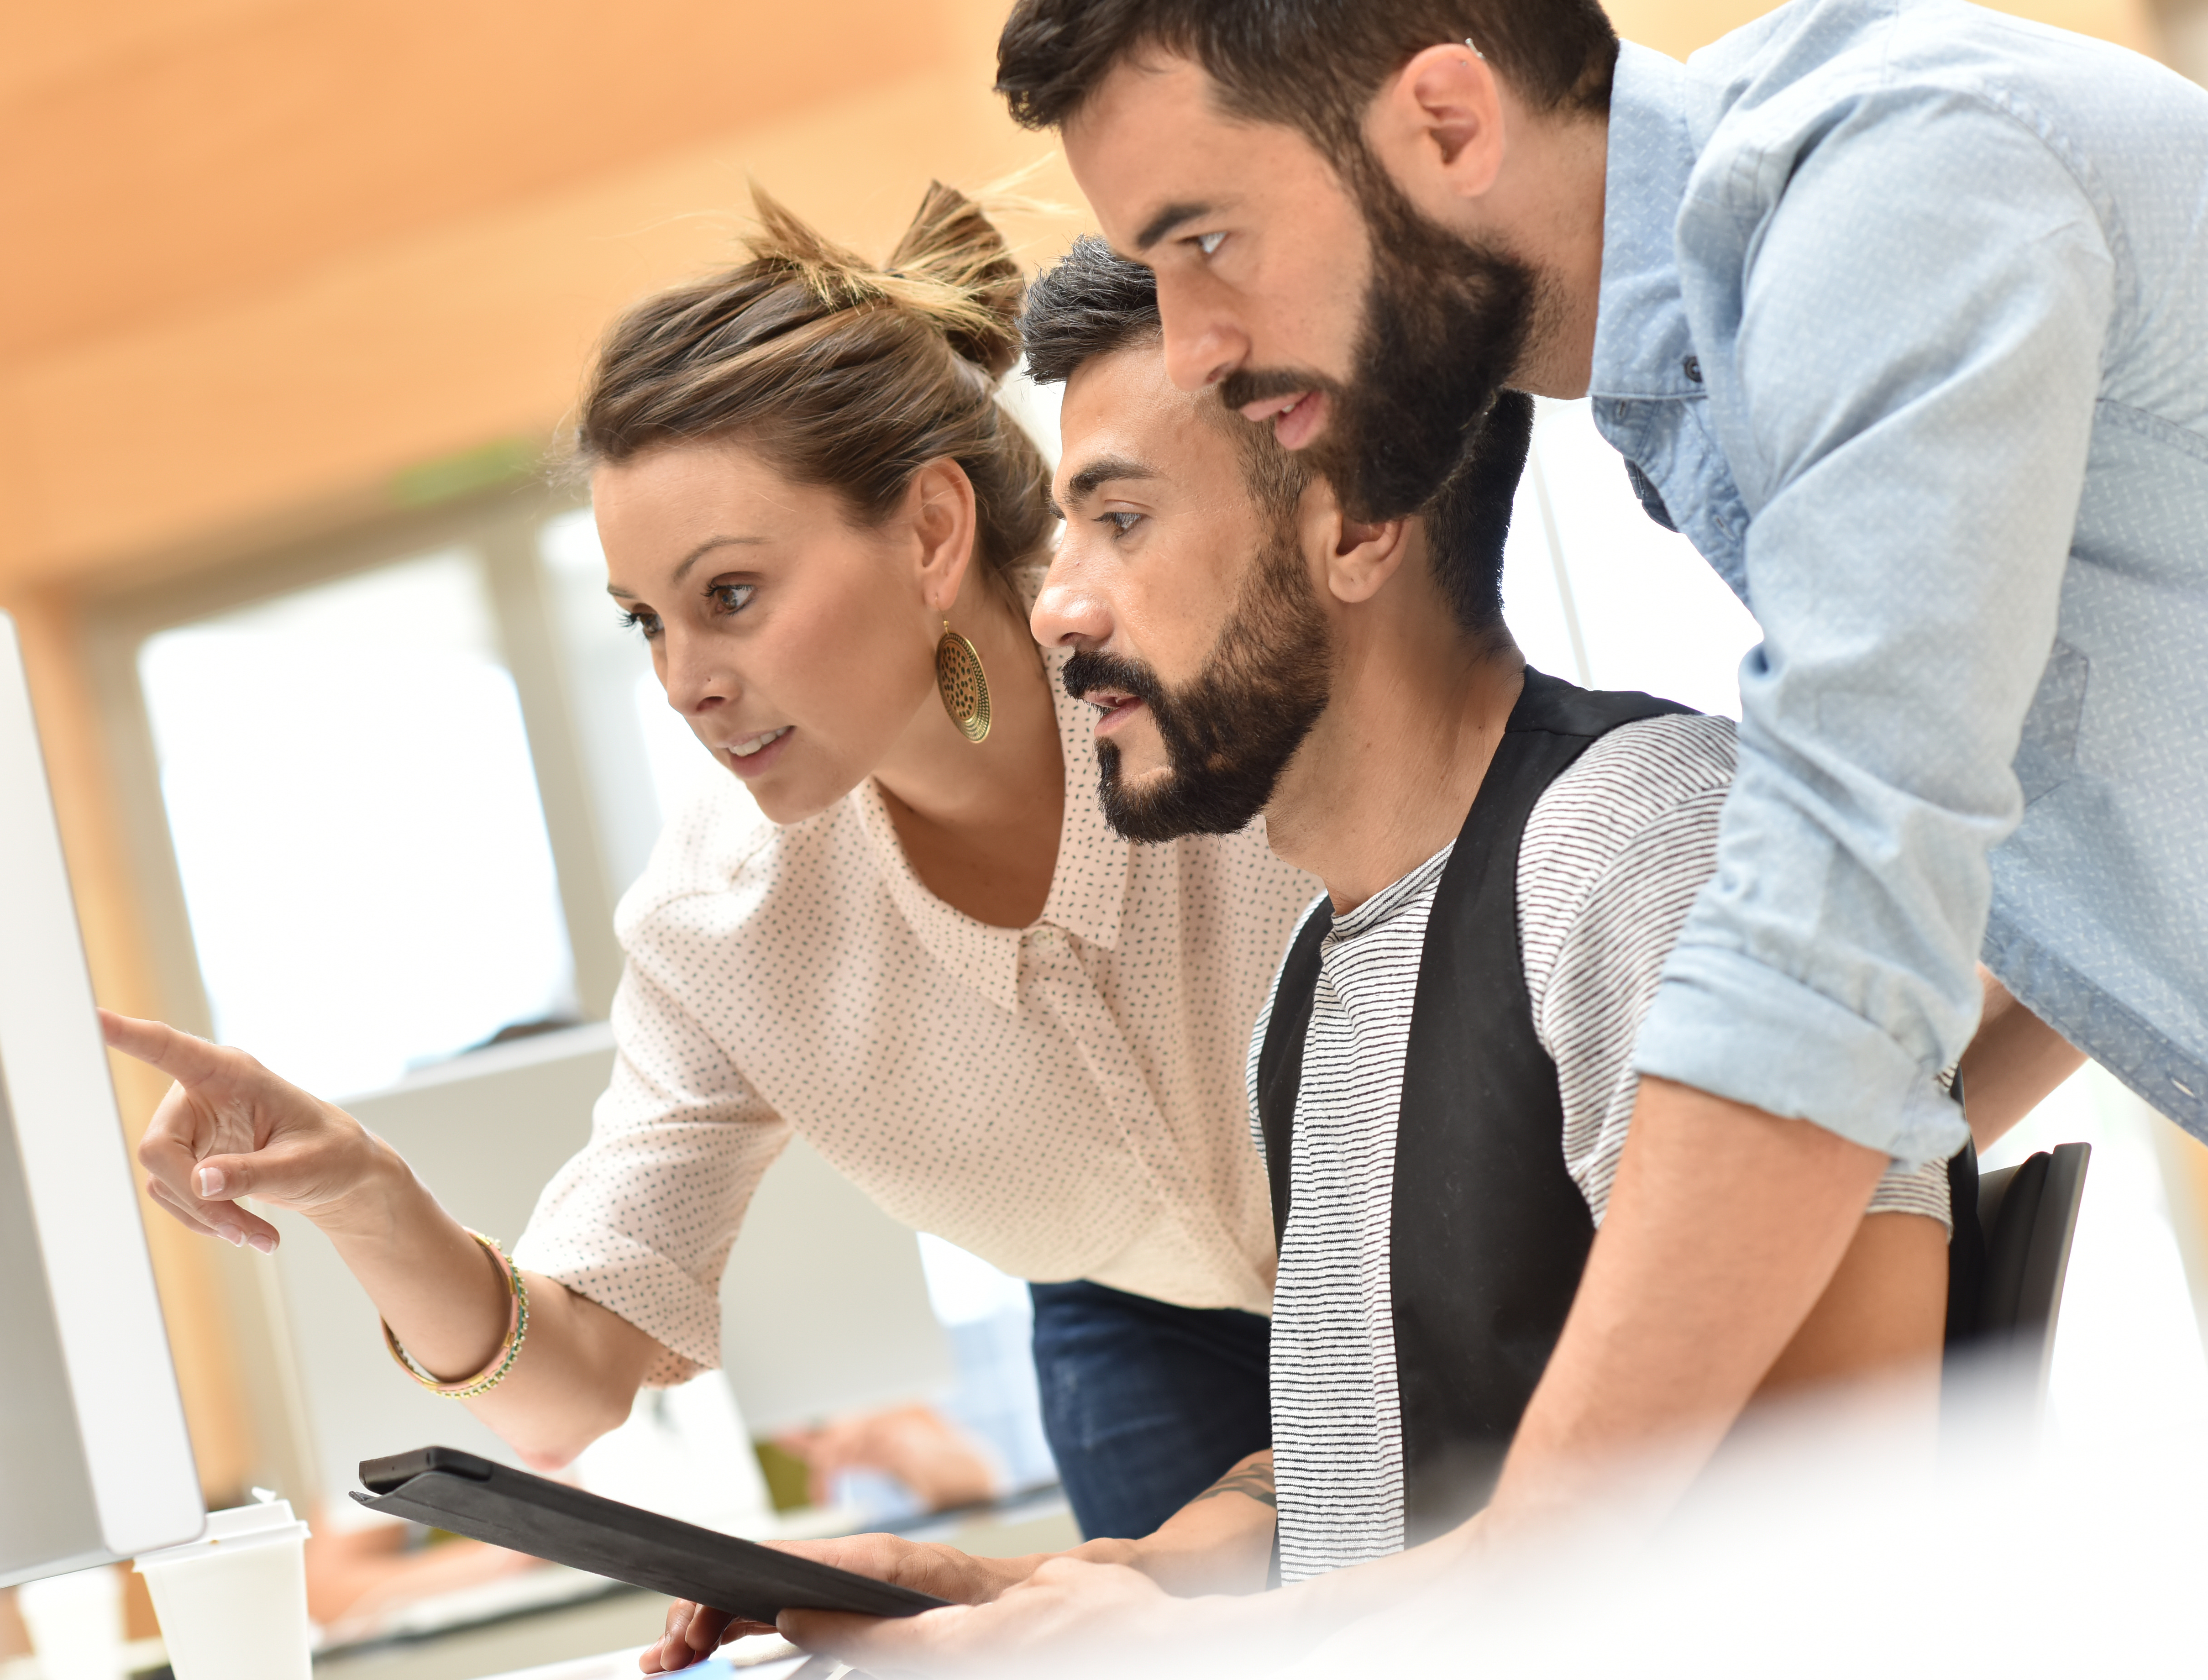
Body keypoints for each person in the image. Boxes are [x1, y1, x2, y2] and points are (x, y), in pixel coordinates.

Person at [640, 236, 1954, 1676]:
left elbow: (1828, 1476)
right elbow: (1355, 1499)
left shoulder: (1632, 842)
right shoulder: (1321, 979)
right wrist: (997, 1583)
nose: (1059, 605)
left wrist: (1227, 1636)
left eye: (1121, 522)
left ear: (1356, 525)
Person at [984, 0, 2195, 1560]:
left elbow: (1837, 922)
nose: (1200, 339)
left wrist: (1485, 1582)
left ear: (1448, 122)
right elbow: (2016, 886)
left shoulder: (1890, 195)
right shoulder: (1695, 367)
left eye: (1206, 239)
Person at [102, 183, 1322, 1544]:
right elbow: (567, 1393)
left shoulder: (1212, 682)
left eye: (729, 596)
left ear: (930, 533)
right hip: (1141, 1323)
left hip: (1460, 1234)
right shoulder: (725, 924)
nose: (686, 683)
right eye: (647, 625)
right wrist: (362, 1195)